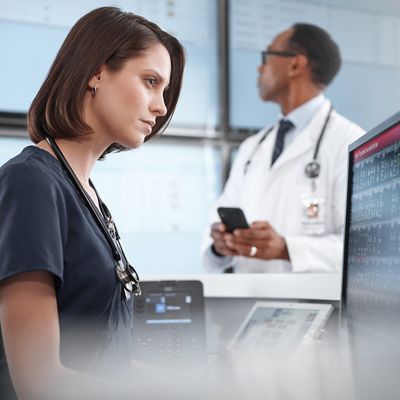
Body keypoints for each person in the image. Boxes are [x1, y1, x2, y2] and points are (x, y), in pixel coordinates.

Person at [0, 7, 185, 400]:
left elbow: (104, 361)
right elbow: (39, 382)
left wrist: (205, 382)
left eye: (164, 91)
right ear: (96, 73)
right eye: (150, 82)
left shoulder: (87, 194)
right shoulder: (31, 182)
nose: (161, 107)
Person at [203, 23, 364, 274]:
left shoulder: (351, 143)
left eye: (267, 56)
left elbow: (363, 250)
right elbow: (218, 217)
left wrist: (286, 248)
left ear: (295, 64)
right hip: (242, 303)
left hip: (314, 306)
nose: (259, 67)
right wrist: (220, 244)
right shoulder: (252, 148)